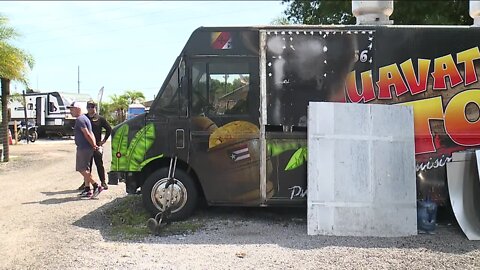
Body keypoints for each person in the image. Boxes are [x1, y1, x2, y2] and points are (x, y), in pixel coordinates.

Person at [67, 101, 103, 199]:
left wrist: (94, 145)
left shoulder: (80, 119)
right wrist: (94, 145)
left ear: (78, 109)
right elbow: (91, 133)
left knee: (81, 169)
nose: (70, 111)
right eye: (70, 109)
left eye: (72, 109)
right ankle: (87, 190)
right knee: (86, 169)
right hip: (86, 148)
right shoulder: (84, 118)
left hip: (84, 148)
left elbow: (87, 134)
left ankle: (96, 186)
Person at [78, 100, 112, 190]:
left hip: (96, 145)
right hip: (86, 146)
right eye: (88, 107)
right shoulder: (84, 118)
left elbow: (109, 129)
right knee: (87, 166)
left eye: (92, 107)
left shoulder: (100, 118)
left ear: (95, 107)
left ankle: (103, 182)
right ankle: (86, 183)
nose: (90, 108)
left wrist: (104, 140)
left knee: (99, 164)